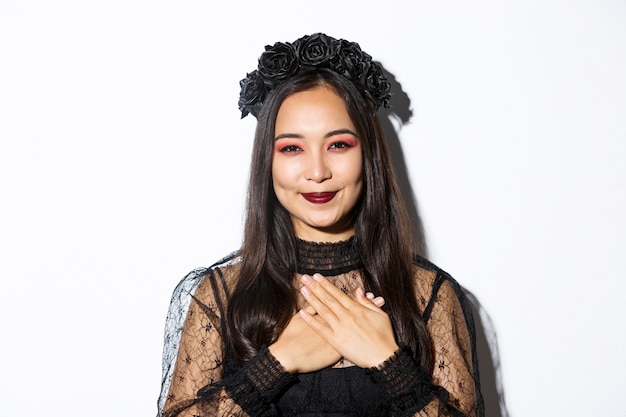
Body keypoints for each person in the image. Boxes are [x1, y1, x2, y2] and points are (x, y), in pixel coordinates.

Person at [157, 33, 484, 417]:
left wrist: (390, 363)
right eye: (292, 148)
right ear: (268, 162)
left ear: (369, 155)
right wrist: (275, 365)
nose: (317, 172)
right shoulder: (221, 294)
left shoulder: (428, 294)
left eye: (338, 145)